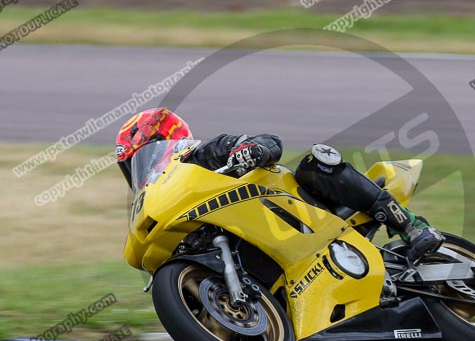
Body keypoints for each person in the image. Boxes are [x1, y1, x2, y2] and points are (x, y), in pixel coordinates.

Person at [115, 108, 444, 262]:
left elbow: (268, 141)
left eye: (142, 156)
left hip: (293, 207)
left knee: (316, 163)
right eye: (132, 165)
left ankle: (412, 228)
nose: (139, 168)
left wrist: (252, 149)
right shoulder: (164, 193)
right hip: (252, 234)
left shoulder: (204, 153)